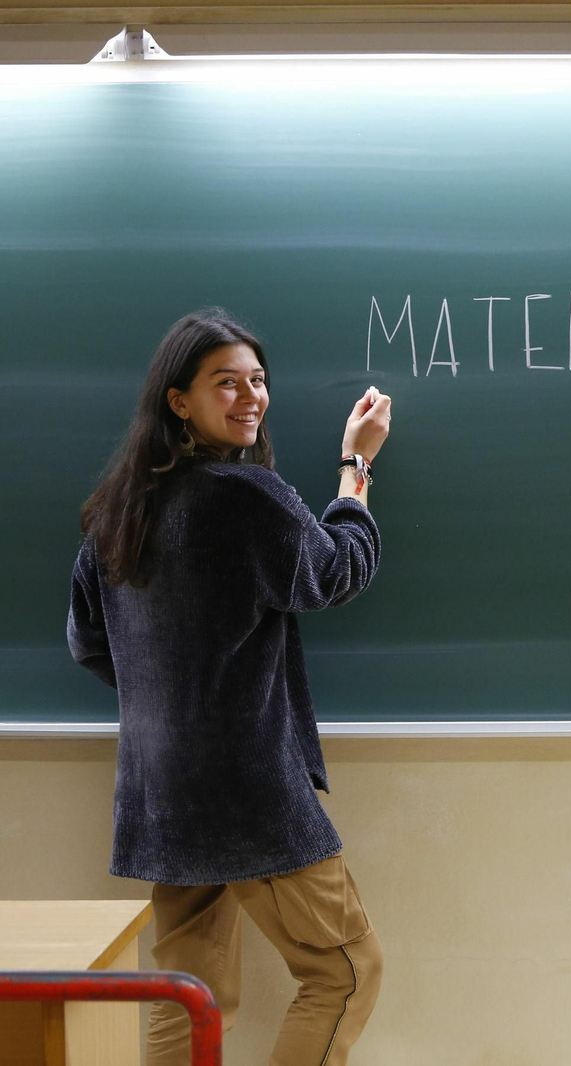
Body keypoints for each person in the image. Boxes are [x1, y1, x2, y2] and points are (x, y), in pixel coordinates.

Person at [67, 308, 393, 1066]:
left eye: (257, 380)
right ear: (178, 399)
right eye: (226, 383)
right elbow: (336, 571)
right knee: (346, 972)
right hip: (247, 791)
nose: (250, 396)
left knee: (189, 1000)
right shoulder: (246, 494)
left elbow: (89, 644)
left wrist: (173, 696)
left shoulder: (117, 512)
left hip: (162, 794)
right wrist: (356, 467)